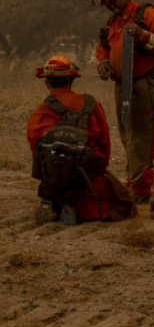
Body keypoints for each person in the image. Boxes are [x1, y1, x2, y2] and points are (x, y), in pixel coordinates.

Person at [92, 0, 154, 203]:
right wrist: (103, 64)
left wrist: (141, 35)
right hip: (121, 85)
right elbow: (103, 48)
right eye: (104, 4)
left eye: (110, 1)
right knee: (127, 136)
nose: (108, 7)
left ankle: (140, 187)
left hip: (144, 83)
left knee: (141, 135)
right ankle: (134, 179)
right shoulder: (113, 22)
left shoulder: (145, 14)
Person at [28, 55, 135, 225]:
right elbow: (104, 153)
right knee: (126, 203)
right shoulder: (92, 105)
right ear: (71, 80)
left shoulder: (39, 114)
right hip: (90, 186)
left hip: (53, 185)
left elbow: (39, 156)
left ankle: (52, 204)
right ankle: (74, 207)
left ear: (47, 82)